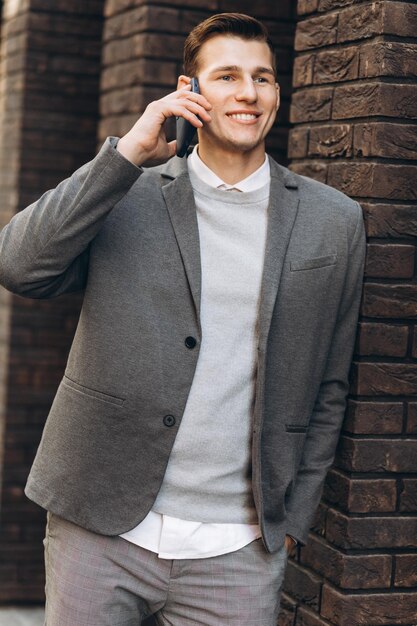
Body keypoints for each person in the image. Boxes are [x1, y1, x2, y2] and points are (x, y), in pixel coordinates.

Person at [0, 12, 365, 626]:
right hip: (100, 527)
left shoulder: (335, 221)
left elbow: (330, 382)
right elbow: (19, 265)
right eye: (227, 76)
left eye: (263, 78)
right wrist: (125, 156)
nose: (248, 94)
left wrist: (294, 519)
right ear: (188, 90)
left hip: (238, 548)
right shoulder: (127, 194)